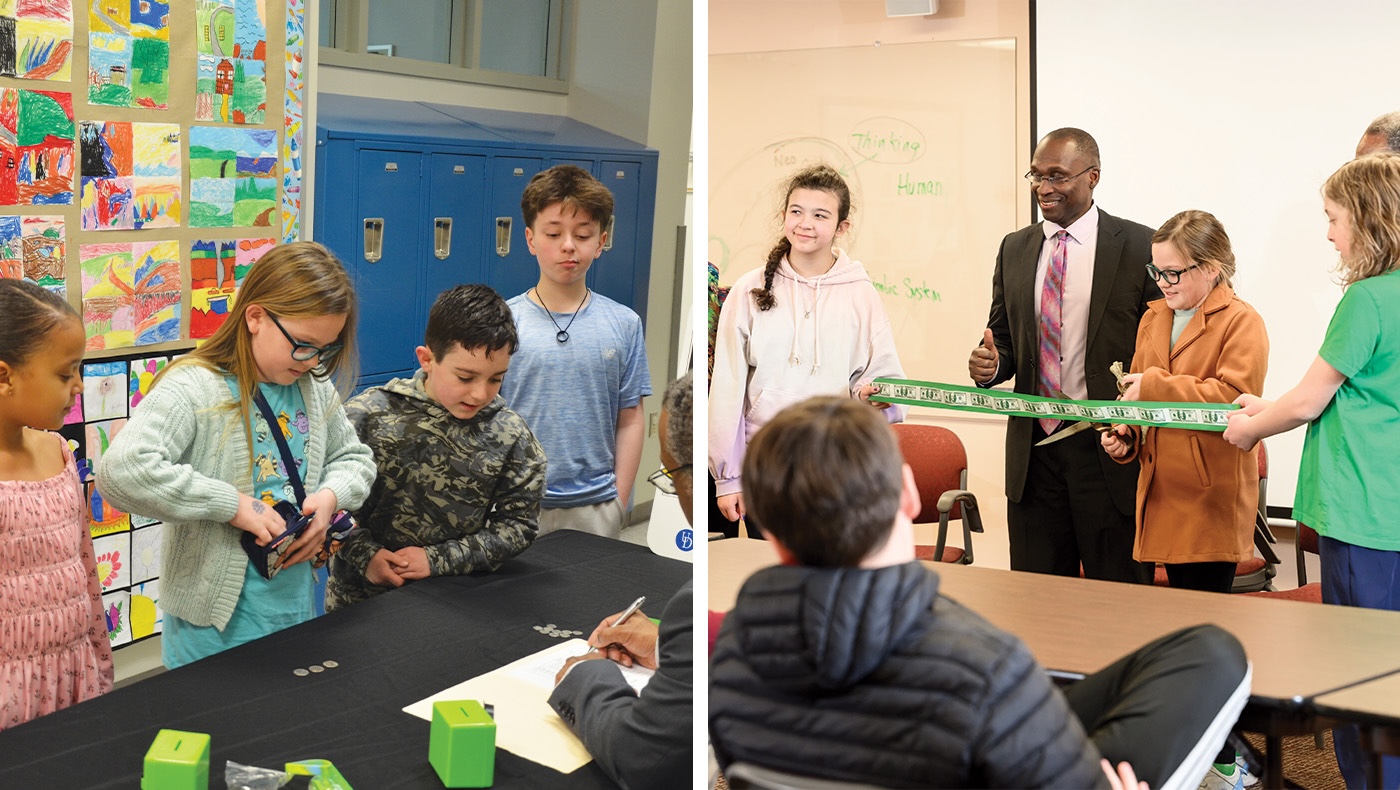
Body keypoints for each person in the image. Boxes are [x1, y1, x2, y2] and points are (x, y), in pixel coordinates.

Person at [710, 396, 1251, 790]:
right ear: (907, 493)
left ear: (770, 529)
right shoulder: (985, 668)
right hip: (983, 729)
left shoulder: (731, 652)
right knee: (1214, 653)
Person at [98, 241, 376, 668]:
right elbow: (121, 471)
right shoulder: (194, 387)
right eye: (303, 344)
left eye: (326, 348)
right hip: (212, 630)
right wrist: (232, 505)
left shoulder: (314, 388)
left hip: (293, 610)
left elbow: (355, 460)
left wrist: (329, 497)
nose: (312, 361)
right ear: (255, 317)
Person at [1224, 152, 1400, 789]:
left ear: (1369, 220)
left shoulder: (1368, 298)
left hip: (1362, 516)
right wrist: (1268, 405)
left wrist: (1249, 428)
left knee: (1358, 683)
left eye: (1333, 218)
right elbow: (1362, 391)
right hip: (1391, 512)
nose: (1328, 234)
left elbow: (1309, 401)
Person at [968, 127, 1161, 583]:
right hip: (1034, 456)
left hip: (1110, 451)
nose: (1043, 187)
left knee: (1118, 599)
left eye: (1057, 175)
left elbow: (1159, 350)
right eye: (1036, 175)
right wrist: (992, 365)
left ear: (1093, 177)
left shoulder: (1140, 246)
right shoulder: (1015, 247)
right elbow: (1004, 337)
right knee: (1037, 599)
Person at [709, 164, 906, 531]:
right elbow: (727, 386)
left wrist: (874, 398)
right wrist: (728, 478)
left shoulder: (861, 294)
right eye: (796, 211)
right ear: (784, 216)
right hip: (763, 466)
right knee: (766, 566)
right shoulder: (750, 289)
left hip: (833, 468)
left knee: (824, 566)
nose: (805, 224)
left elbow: (883, 381)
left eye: (820, 215)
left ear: (841, 227)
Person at [325, 284, 546, 611]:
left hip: (455, 604)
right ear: (427, 359)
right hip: (358, 604)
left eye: (496, 379)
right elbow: (323, 500)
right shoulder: (366, 416)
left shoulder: (511, 434)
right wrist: (365, 555)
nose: (480, 394)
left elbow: (519, 526)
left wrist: (438, 559)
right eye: (465, 377)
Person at [1102, 210, 1269, 593]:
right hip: (1161, 494)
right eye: (1156, 271)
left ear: (1211, 268)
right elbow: (1135, 396)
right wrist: (1125, 434)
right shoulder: (1153, 318)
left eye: (1173, 273)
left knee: (1201, 612)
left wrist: (1153, 386)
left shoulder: (1242, 321)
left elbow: (1233, 401)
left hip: (1208, 500)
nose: (1161, 282)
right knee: (1172, 616)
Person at [548, 372, 693, 789]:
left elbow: (642, 758)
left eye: (669, 475)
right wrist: (665, 647)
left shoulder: (693, 603)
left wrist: (583, 678)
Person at [499, 164, 651, 540]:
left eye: (582, 234)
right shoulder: (503, 322)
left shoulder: (624, 323)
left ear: (600, 242)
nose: (568, 245)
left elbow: (630, 419)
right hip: (514, 506)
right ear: (531, 239)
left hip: (597, 506)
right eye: (553, 233)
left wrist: (619, 501)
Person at [0, 279, 113, 729]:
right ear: (5, 376)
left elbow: (86, 571)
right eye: (65, 375)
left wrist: (100, 665)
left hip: (73, 676)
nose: (79, 386)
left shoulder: (60, 453)